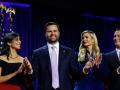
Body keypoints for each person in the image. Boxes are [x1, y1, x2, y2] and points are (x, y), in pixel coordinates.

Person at [32, 22, 82, 90]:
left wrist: (84, 70)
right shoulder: (37, 53)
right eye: (49, 31)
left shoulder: (69, 52)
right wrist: (29, 71)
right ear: (45, 34)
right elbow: (33, 75)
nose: (53, 33)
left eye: (55, 31)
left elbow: (75, 74)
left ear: (59, 33)